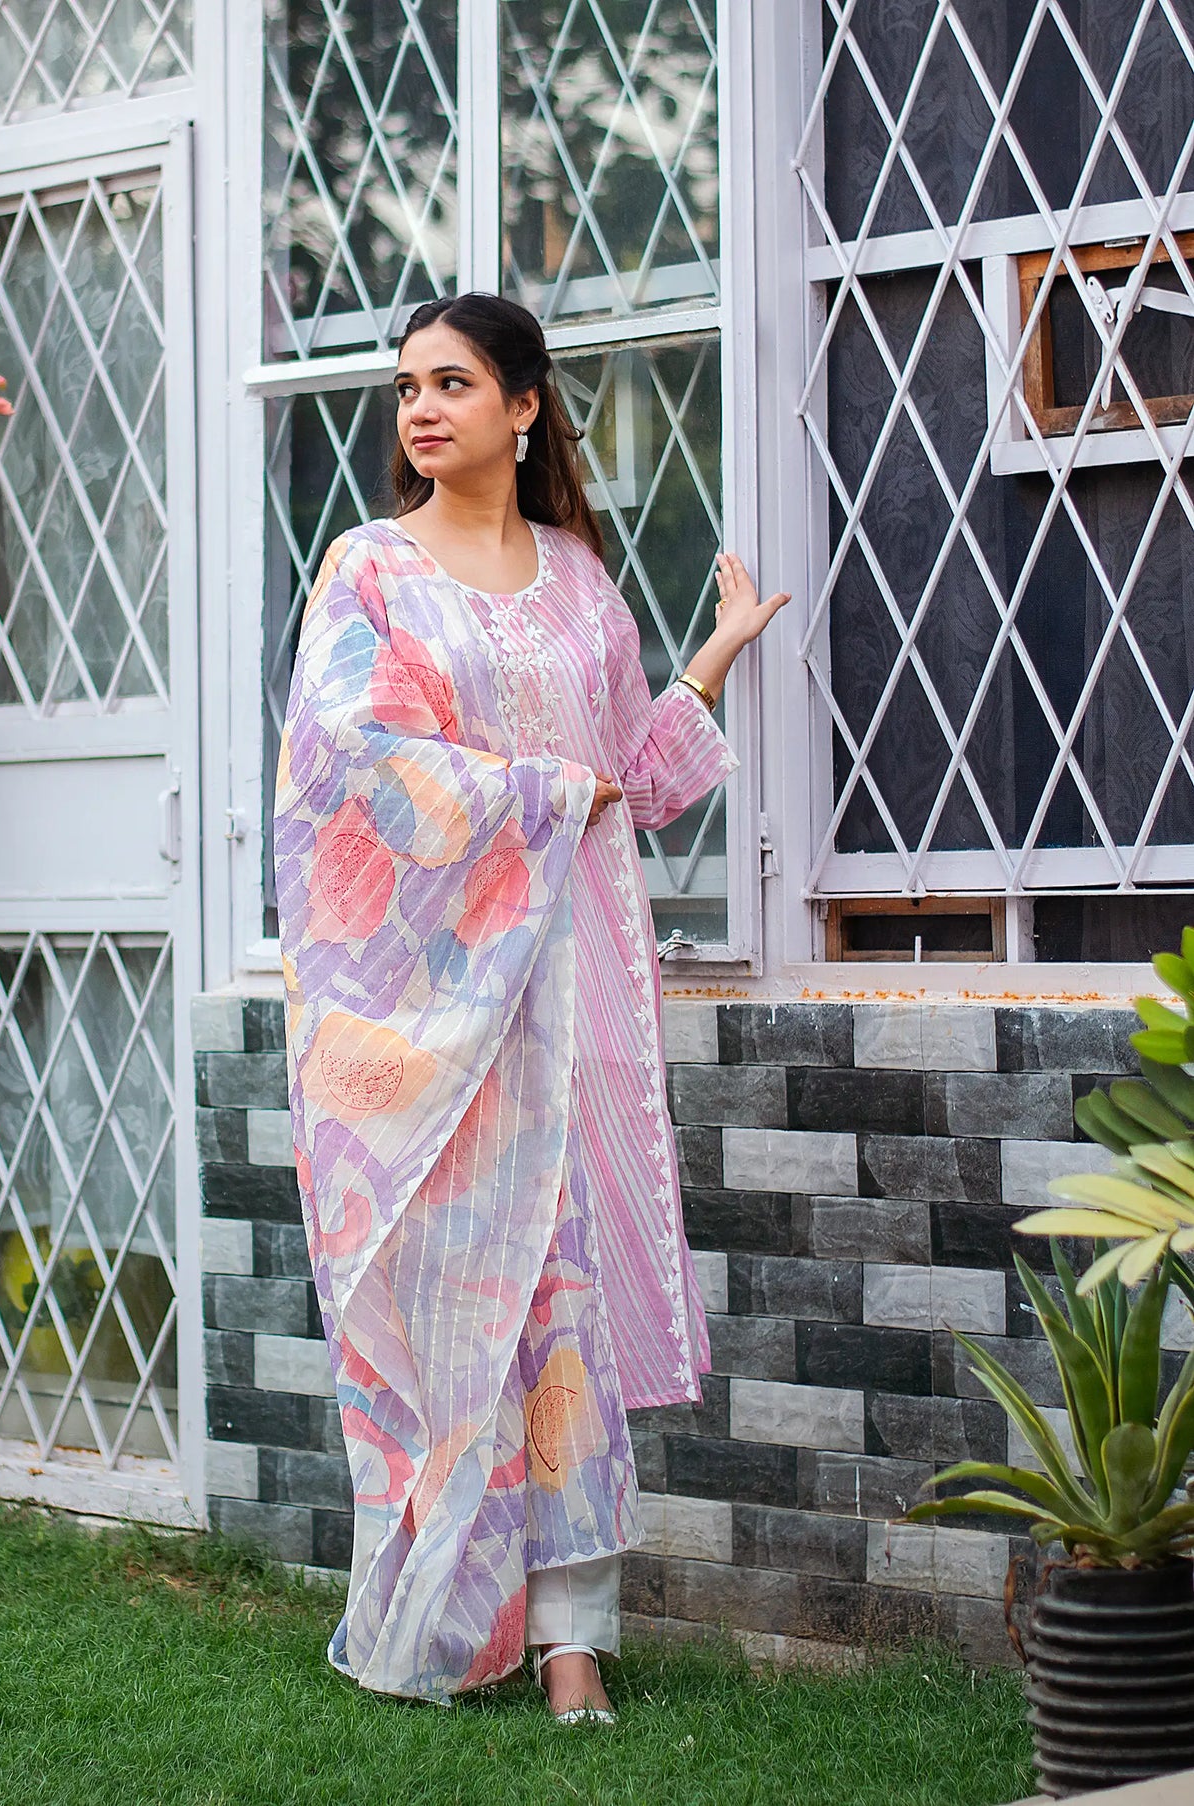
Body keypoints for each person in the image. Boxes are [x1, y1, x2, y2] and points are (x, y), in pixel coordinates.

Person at [273, 292, 789, 1720]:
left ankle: (576, 1640)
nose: (419, 409)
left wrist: (713, 654)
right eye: (404, 388)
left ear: (523, 407)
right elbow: (346, 766)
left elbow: (632, 772)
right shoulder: (367, 572)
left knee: (565, 1311)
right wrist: (546, 795)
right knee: (461, 1307)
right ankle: (449, 1605)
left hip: (576, 998)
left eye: (451, 383)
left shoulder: (575, 578)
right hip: (433, 1017)